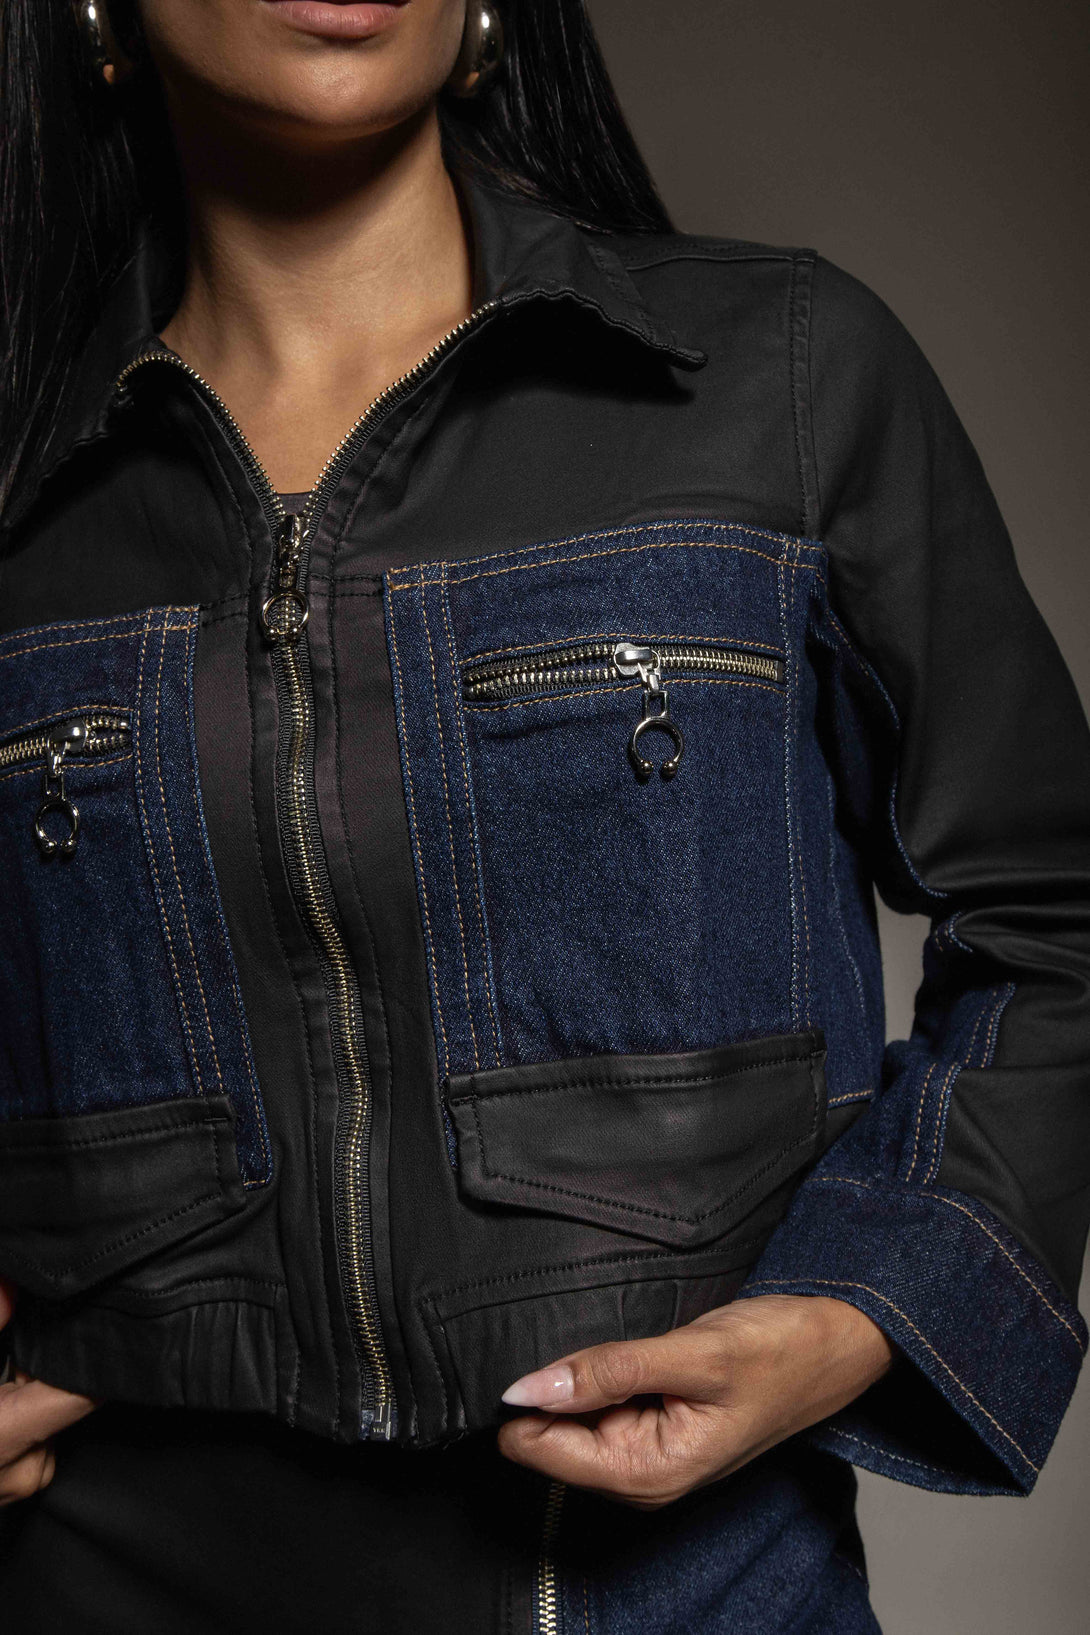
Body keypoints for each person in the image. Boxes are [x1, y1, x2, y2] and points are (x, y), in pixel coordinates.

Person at [0, 0, 1087, 1629]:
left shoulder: (781, 380)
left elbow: (1053, 915)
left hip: (677, 1593)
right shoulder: (22, 487)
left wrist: (860, 1309)